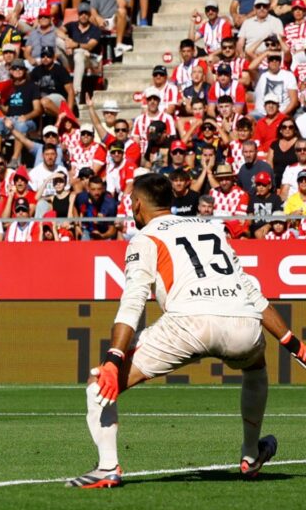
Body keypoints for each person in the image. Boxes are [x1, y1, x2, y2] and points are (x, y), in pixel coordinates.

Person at [67, 173, 306, 488]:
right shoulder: (211, 228)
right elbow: (251, 292)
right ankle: (250, 455)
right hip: (242, 324)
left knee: (99, 383)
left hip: (187, 324)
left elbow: (133, 302)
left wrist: (113, 357)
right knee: (255, 367)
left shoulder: (145, 237)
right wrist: (294, 345)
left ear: (137, 205)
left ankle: (108, 467)